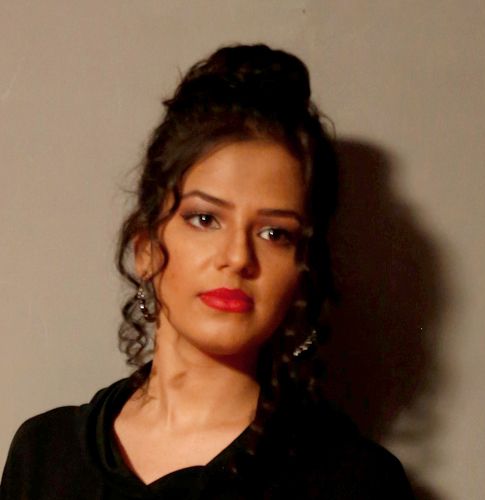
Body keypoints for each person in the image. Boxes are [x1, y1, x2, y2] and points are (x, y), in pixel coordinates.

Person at [1, 44, 415, 499]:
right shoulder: (45, 452)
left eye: (274, 233)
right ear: (145, 247)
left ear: (302, 272)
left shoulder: (353, 480)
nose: (237, 257)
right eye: (204, 219)